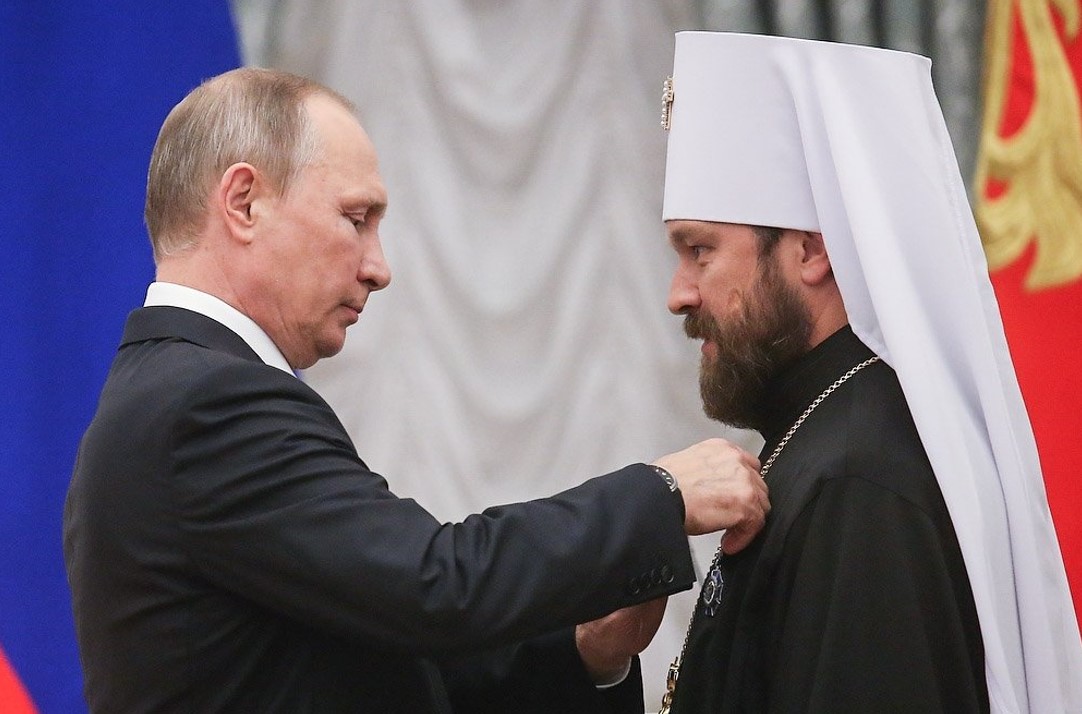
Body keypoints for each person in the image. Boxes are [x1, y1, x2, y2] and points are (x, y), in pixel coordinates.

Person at [61, 67, 772, 713]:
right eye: (355, 219)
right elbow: (435, 586)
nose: (379, 268)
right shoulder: (206, 404)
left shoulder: (175, 393)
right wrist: (660, 496)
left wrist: (586, 651)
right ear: (244, 203)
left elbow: (380, 668)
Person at [655, 32, 1082, 713]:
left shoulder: (856, 485)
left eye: (700, 251)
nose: (678, 294)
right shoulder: (824, 440)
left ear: (811, 250)